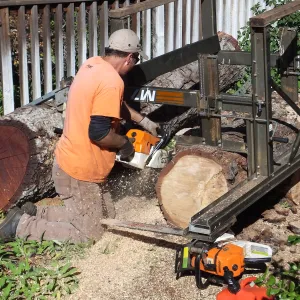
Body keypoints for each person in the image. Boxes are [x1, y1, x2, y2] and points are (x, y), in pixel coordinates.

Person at [0, 29, 160, 243]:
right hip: (79, 171)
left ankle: (35, 213)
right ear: (130, 57)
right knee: (91, 234)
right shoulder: (113, 81)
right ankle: (20, 226)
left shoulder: (93, 64)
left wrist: (143, 121)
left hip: (73, 159)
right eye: (136, 59)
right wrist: (124, 144)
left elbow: (112, 103)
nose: (135, 64)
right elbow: (99, 133)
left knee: (106, 217)